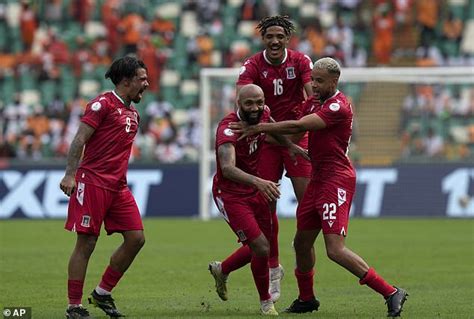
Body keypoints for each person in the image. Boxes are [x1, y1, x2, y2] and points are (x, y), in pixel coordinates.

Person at [230, 57, 408, 317]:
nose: (313, 84)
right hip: (318, 180)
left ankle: (391, 292)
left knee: (334, 250)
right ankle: (307, 298)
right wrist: (271, 135)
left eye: (319, 81)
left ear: (334, 81)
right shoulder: (313, 100)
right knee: (301, 243)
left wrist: (258, 127)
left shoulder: (339, 106)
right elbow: (291, 128)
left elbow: (299, 126)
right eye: (312, 79)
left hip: (336, 180)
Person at [60, 56, 149, 319]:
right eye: (142, 79)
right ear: (126, 81)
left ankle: (102, 293)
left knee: (136, 238)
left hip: (118, 186)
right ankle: (74, 306)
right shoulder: (102, 105)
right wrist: (70, 175)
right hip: (93, 181)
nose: (147, 84)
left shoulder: (133, 113)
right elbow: (79, 140)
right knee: (86, 242)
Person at [209, 84, 308, 316]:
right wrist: (259, 182)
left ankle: (222, 269)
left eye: (259, 102)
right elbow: (227, 168)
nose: (255, 108)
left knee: (261, 244)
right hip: (231, 195)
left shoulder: (263, 114)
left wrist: (290, 146)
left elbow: (272, 129)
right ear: (238, 104)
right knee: (261, 247)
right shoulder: (228, 129)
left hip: (254, 190)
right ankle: (266, 303)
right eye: (249, 104)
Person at [235, 15, 314, 301]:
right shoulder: (253, 65)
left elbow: (311, 96)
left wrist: (301, 126)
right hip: (266, 139)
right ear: (263, 39)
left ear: (287, 38)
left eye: (280, 36)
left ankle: (306, 279)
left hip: (297, 136)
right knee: (266, 204)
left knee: (307, 207)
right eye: (270, 36)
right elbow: (241, 97)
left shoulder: (301, 62)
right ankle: (273, 267)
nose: (275, 41)